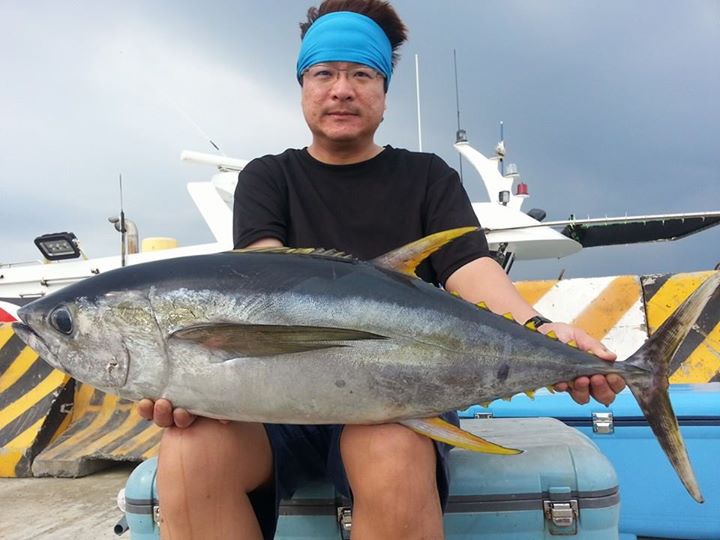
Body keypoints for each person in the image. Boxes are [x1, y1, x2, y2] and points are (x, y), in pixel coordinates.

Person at [138, 1, 626, 538]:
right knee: (188, 448)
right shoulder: (268, 178)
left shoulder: (426, 177)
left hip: (401, 390)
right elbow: (259, 288)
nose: (341, 89)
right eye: (324, 73)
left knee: (388, 447)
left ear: (384, 91)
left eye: (361, 74)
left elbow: (470, 266)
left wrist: (541, 332)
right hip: (277, 407)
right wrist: (182, 377)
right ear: (303, 85)